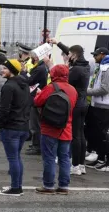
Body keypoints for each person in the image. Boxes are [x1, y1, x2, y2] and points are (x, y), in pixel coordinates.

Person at [33, 64, 77, 195]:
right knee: (64, 158)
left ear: (53, 74)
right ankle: (64, 186)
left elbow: (37, 102)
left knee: (49, 157)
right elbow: (72, 107)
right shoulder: (73, 90)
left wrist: (39, 94)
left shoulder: (50, 88)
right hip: (66, 128)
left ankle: (48, 185)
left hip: (49, 128)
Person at [49, 38, 90, 175]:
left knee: (75, 136)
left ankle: (76, 165)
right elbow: (71, 51)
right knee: (81, 135)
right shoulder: (85, 65)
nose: (68, 56)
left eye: (70, 55)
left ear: (74, 55)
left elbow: (64, 79)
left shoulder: (76, 69)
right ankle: (82, 165)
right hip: (84, 103)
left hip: (76, 104)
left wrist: (66, 66)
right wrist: (57, 43)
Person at [0, 59, 30, 197]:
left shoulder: (8, 86)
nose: (2, 70)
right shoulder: (24, 84)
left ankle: (15, 188)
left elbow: (4, 109)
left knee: (13, 158)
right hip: (23, 126)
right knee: (17, 157)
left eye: (5, 68)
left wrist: (0, 125)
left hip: (11, 127)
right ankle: (18, 186)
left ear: (12, 71)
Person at [85, 47, 109, 171]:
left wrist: (87, 92)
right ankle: (100, 159)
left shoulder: (107, 68)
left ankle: (104, 161)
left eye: (96, 55)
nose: (94, 57)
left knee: (102, 135)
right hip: (97, 104)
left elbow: (105, 89)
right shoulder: (102, 67)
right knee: (97, 134)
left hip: (104, 106)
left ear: (102, 54)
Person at [21, 50, 48, 156]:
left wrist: (23, 72)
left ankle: (37, 146)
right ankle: (36, 144)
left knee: (35, 124)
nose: (31, 59)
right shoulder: (41, 67)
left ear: (36, 58)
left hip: (36, 98)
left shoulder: (39, 68)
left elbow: (30, 81)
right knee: (35, 123)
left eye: (32, 57)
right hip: (36, 96)